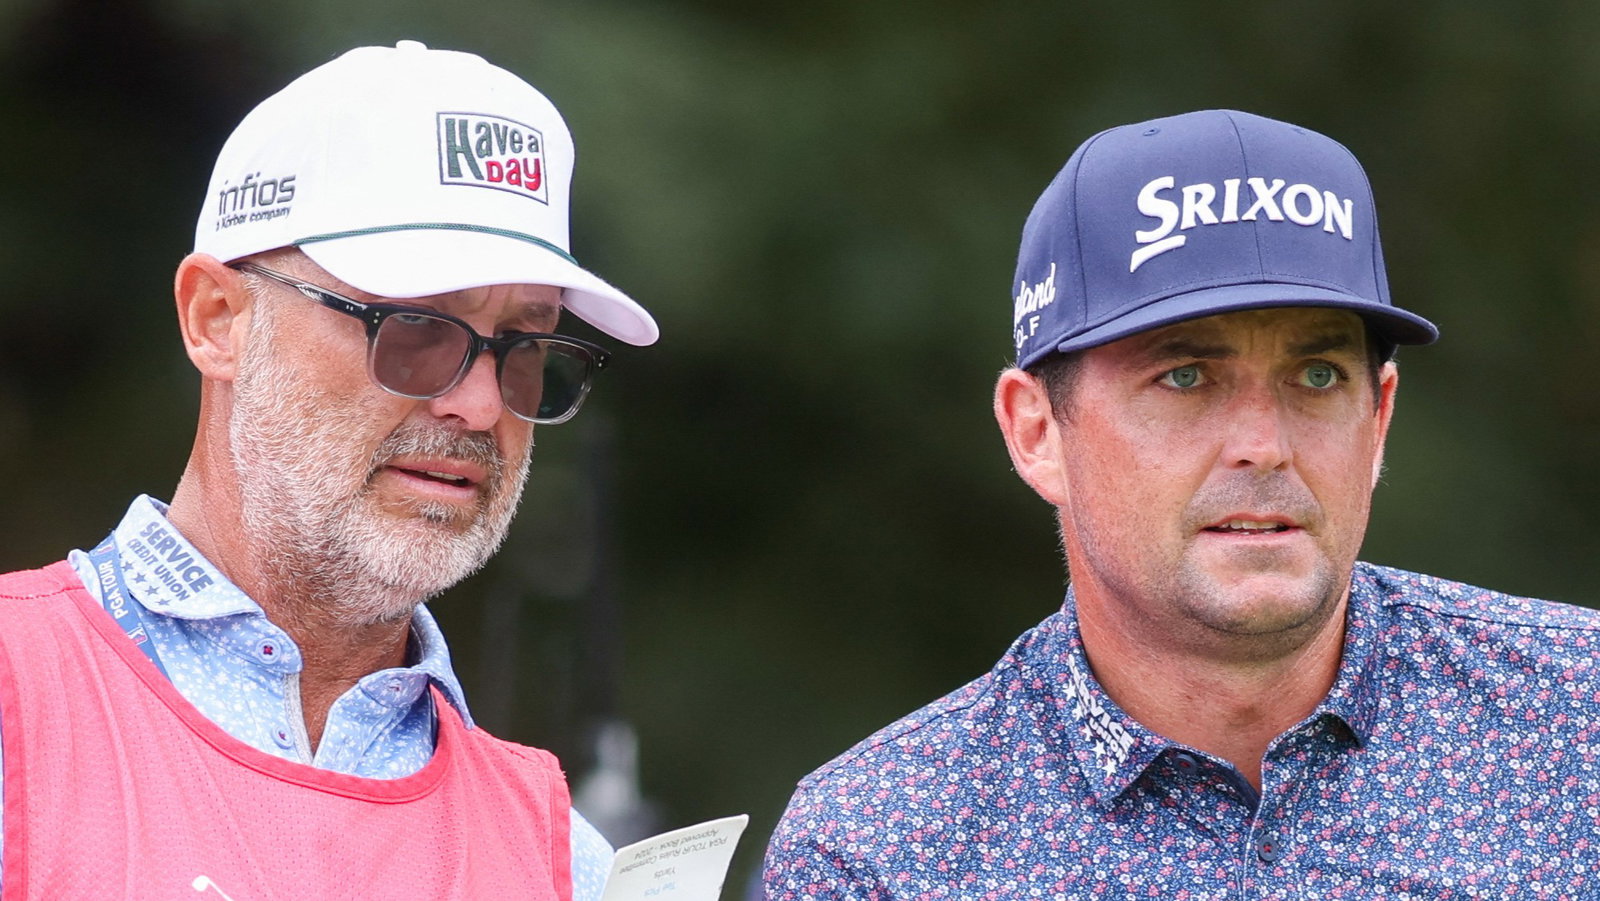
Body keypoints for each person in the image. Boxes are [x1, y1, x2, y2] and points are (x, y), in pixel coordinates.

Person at [763, 109, 1600, 898]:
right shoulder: (882, 851)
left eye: (1316, 375)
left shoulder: (1577, 722)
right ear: (1036, 431)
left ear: (1378, 417)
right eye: (1185, 376)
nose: (1264, 444)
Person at [0, 42, 658, 899]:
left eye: (525, 345)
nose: (483, 405)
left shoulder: (566, 861)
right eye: (416, 328)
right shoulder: (20, 703)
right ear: (217, 318)